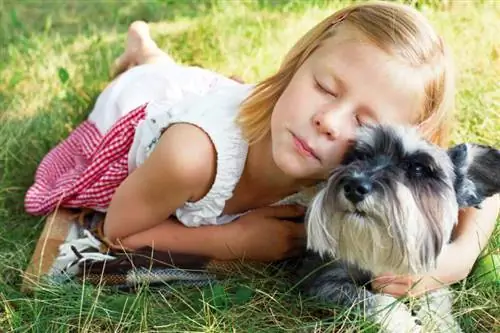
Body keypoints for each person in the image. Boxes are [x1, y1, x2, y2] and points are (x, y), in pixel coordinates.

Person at [24, 1, 499, 297]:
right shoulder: (191, 156)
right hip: (142, 104)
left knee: (180, 72)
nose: (329, 122)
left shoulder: (360, 160)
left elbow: (483, 184)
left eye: (364, 122)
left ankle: (148, 48)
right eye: (325, 87)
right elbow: (119, 231)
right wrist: (235, 242)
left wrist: (452, 262)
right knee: (150, 76)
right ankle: (141, 52)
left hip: (207, 91)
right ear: (295, 66)